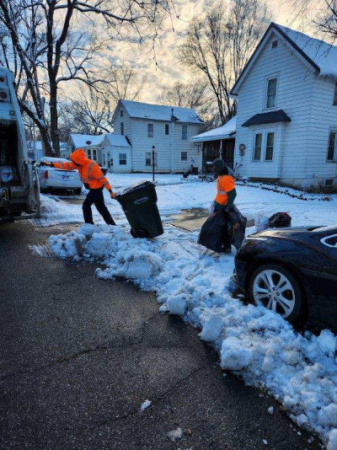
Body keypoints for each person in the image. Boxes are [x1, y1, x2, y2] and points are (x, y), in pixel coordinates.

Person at [41, 149, 116, 225]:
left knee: (86, 206)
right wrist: (50, 164)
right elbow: (65, 165)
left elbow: (103, 180)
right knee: (101, 208)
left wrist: (110, 191)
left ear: (79, 161)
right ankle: (112, 224)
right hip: (93, 188)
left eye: (74, 161)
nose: (73, 163)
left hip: (97, 189)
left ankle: (89, 224)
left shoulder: (92, 166)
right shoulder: (79, 165)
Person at [213, 158, 237, 252]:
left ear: (219, 167)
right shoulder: (220, 176)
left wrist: (228, 206)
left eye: (215, 167)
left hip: (224, 207)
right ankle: (218, 244)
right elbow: (221, 192)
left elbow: (233, 194)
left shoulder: (226, 179)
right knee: (217, 227)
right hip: (218, 205)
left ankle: (227, 247)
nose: (213, 169)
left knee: (223, 228)